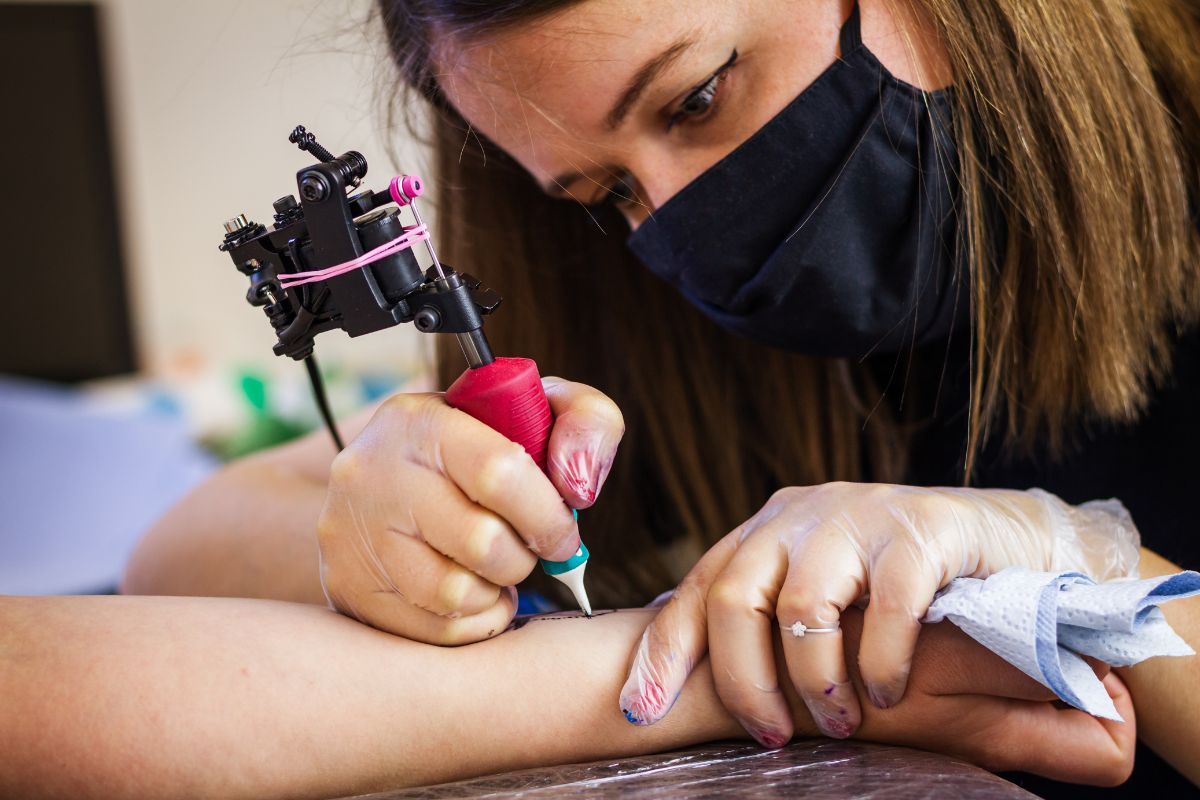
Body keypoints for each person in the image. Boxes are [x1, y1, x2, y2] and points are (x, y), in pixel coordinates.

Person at [123, 0, 1200, 794]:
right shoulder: (655, 321)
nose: (680, 224)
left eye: (698, 97)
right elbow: (173, 553)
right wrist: (392, 527)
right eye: (608, 192)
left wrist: (1072, 559)